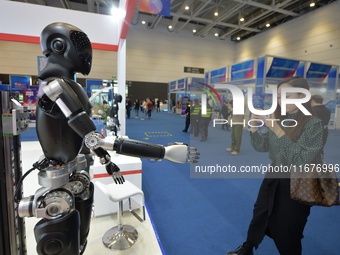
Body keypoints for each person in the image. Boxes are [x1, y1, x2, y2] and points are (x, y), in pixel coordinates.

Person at [227, 77, 323, 255]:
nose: (280, 101)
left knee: (288, 226)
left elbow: (301, 159)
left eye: (286, 95)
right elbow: (262, 146)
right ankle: (248, 247)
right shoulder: (280, 117)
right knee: (260, 212)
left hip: (298, 181)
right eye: (278, 96)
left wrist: (277, 130)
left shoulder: (313, 124)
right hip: (274, 174)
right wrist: (254, 128)